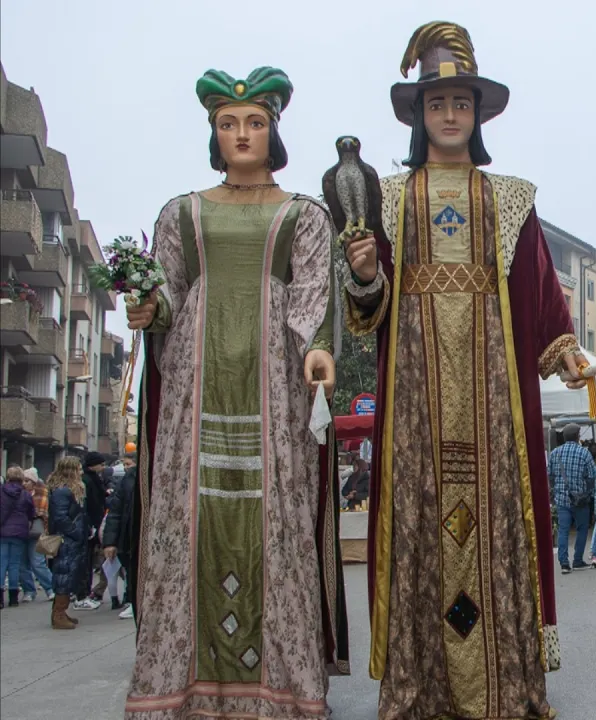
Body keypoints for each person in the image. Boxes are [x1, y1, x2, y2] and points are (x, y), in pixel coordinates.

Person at [340, 23, 586, 715]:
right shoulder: (389, 197)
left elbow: (538, 285)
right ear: (418, 114)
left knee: (497, 521)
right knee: (419, 523)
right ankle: (421, 688)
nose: (449, 114)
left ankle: (503, 685)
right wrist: (366, 275)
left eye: (460, 103)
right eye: (437, 102)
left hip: (492, 397)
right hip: (415, 394)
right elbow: (368, 310)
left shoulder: (509, 197)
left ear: (477, 114)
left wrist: (563, 349)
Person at [122, 66, 349, 718]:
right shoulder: (181, 212)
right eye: (228, 124)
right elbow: (167, 291)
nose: (242, 134)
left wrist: (319, 349)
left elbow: (313, 293)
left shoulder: (303, 214)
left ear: (274, 130)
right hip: (195, 393)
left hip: (273, 390)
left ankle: (283, 689)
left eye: (254, 122)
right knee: (188, 524)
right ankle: (183, 687)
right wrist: (149, 308)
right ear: (214, 134)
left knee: (277, 522)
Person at [46, 458, 89, 630]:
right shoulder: (63, 491)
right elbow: (60, 517)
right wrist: (75, 532)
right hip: (67, 540)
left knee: (68, 575)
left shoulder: (67, 489)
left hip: (71, 539)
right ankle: (58, 613)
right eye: (79, 469)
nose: (81, 472)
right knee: (64, 576)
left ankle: (60, 612)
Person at [549, 424, 594, 573]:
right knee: (582, 529)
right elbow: (591, 477)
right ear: (577, 436)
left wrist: (556, 489)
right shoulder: (584, 453)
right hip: (580, 499)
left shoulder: (555, 453)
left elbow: (550, 475)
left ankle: (564, 563)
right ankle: (578, 560)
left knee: (563, 530)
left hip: (562, 498)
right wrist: (588, 492)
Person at [100, 452, 138, 617]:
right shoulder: (127, 480)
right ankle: (132, 601)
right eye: (125, 464)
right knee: (131, 570)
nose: (125, 467)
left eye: (128, 464)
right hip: (129, 534)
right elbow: (115, 512)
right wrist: (110, 542)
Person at [1, 466, 35, 608]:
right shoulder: (25, 494)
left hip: (2, 531)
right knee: (14, 564)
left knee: (2, 563)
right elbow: (31, 513)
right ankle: (13, 597)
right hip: (20, 532)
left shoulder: (1, 491)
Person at [76, 452, 107, 610]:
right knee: (88, 560)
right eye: (101, 464)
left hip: (93, 524)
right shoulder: (88, 480)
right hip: (90, 526)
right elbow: (92, 504)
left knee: (92, 560)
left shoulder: (94, 479)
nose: (103, 467)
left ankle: (87, 592)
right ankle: (83, 594)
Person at [21, 468, 54, 602]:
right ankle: (28, 591)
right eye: (23, 480)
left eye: (27, 481)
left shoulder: (42, 492)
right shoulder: (20, 493)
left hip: (36, 532)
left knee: (37, 562)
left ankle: (51, 588)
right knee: (22, 564)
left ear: (34, 482)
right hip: (20, 531)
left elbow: (43, 513)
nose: (24, 483)